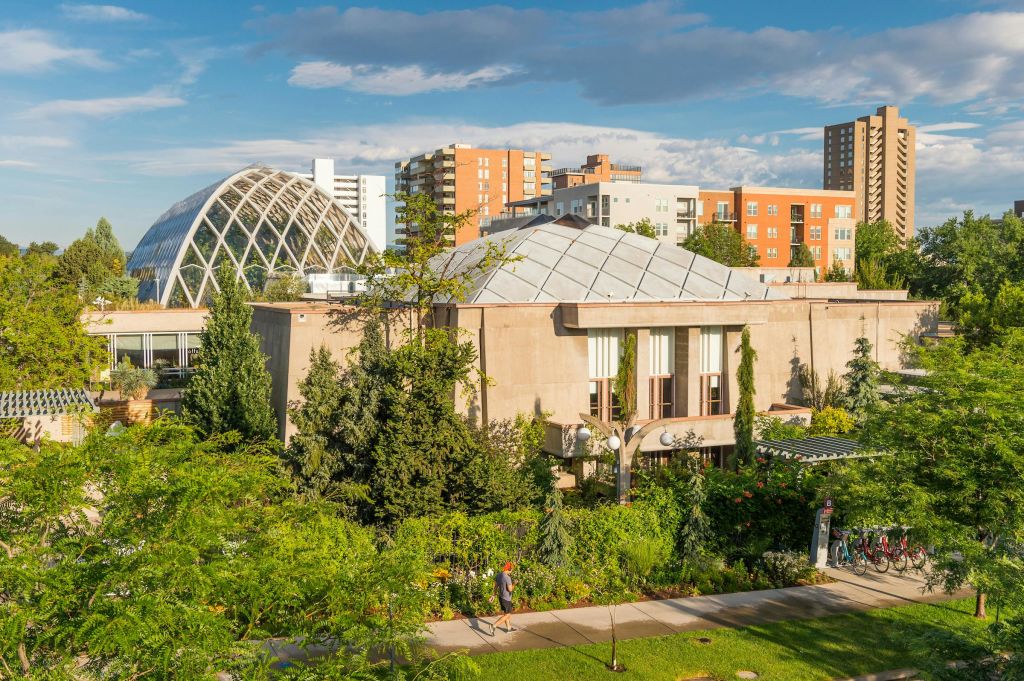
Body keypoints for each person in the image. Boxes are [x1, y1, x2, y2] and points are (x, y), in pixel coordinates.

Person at [491, 561, 516, 634]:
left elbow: (495, 586)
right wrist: (514, 583)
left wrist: (493, 595)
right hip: (506, 599)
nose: (511, 571)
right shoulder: (507, 577)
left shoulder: (499, 575)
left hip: (501, 597)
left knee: (506, 614)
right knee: (508, 614)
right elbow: (510, 589)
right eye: (511, 570)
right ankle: (494, 626)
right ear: (509, 569)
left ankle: (509, 628)